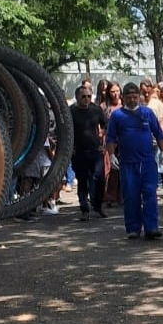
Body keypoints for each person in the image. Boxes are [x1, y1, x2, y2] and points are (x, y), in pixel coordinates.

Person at [104, 82, 163, 239]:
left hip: (147, 162)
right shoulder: (117, 116)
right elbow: (110, 137)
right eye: (129, 97)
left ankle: (152, 227)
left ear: (139, 97)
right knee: (131, 196)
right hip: (128, 163)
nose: (132, 100)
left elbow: (158, 133)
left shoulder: (147, 113)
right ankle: (133, 228)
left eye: (135, 96)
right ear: (123, 98)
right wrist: (111, 155)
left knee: (150, 194)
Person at [69, 83, 107, 221]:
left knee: (100, 178)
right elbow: (65, 130)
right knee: (82, 180)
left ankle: (97, 204)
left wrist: (104, 144)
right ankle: (84, 208)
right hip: (78, 151)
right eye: (83, 97)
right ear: (77, 97)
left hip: (95, 150)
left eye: (89, 96)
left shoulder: (96, 110)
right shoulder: (71, 111)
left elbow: (106, 126)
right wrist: (69, 148)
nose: (86, 99)